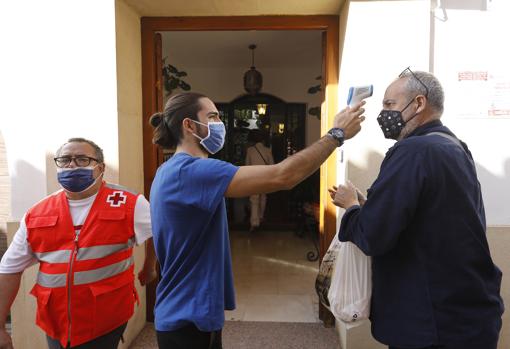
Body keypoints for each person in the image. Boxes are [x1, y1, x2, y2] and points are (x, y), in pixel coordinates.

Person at [149, 92, 365, 349]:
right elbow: (283, 176)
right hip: (188, 317)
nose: (220, 123)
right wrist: (336, 135)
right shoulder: (192, 172)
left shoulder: (170, 169)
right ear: (189, 125)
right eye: (213, 116)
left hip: (181, 310)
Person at [329, 68, 504, 349]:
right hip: (465, 312)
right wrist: (366, 204)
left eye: (389, 105)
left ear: (419, 103)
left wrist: (350, 207)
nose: (382, 114)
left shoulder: (414, 151)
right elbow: (429, 216)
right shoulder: (453, 146)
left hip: (431, 320)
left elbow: (374, 235)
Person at [0, 138, 157, 349]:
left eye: (82, 159)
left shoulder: (129, 203)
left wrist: (150, 266)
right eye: (64, 160)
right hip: (55, 322)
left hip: (107, 319)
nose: (72, 165)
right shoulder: (37, 213)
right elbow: (9, 269)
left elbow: (156, 233)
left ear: (100, 168)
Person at [244, 129, 275, 232]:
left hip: (253, 177)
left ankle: (254, 222)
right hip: (265, 177)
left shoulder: (250, 150)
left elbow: (247, 165)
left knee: (254, 200)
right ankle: (261, 217)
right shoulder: (267, 150)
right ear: (262, 140)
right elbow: (272, 165)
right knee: (263, 197)